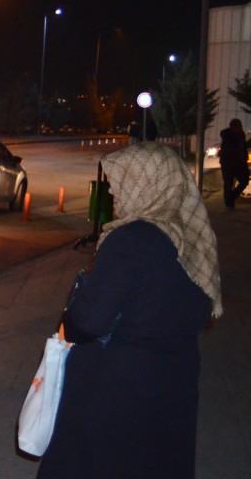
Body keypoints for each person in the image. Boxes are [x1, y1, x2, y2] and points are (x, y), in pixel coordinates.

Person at [38, 141, 222, 479]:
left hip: (116, 391)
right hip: (172, 385)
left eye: (121, 181)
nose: (113, 192)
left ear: (147, 183)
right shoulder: (194, 238)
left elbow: (89, 321)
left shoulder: (131, 239)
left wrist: (68, 319)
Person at [218, 117, 248, 209]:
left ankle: (230, 198)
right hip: (228, 163)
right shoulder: (228, 135)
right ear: (233, 127)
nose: (241, 127)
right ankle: (229, 203)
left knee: (244, 181)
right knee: (228, 183)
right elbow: (229, 149)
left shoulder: (241, 134)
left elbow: (243, 147)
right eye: (239, 125)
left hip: (240, 163)